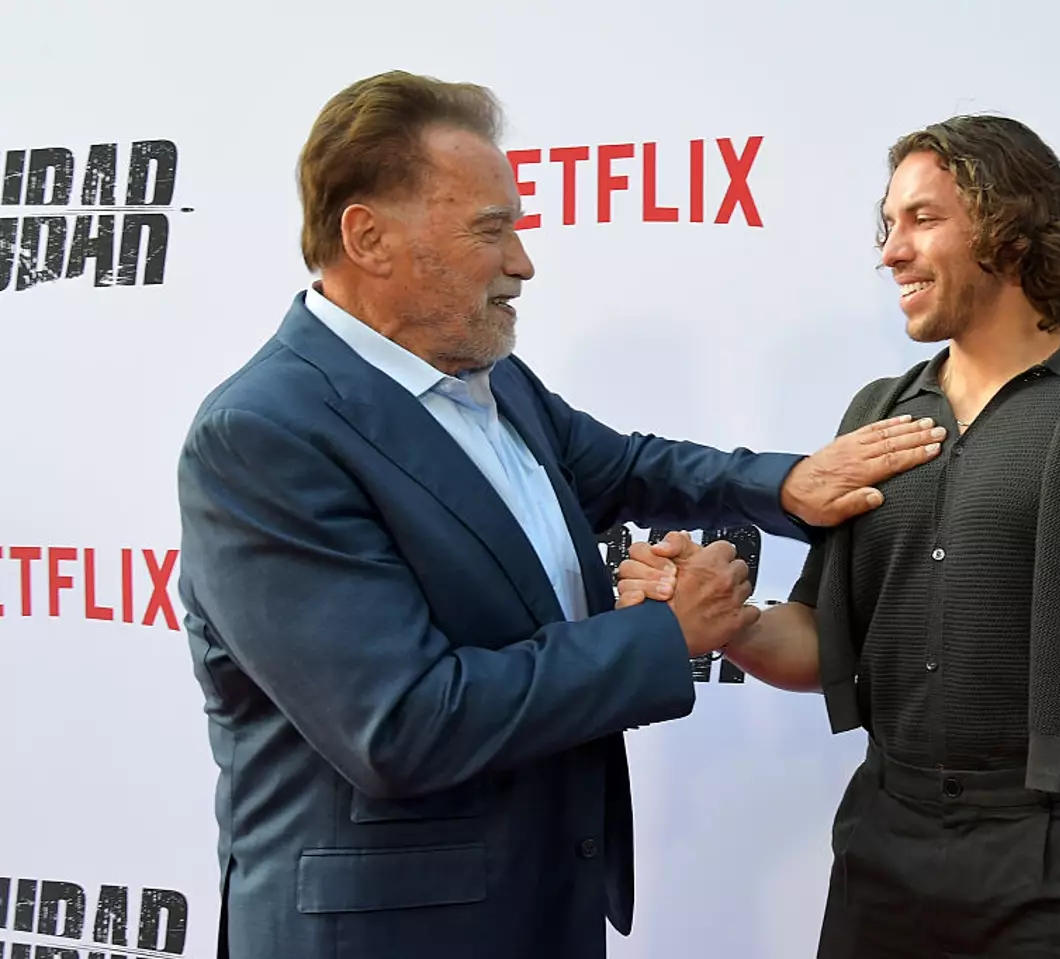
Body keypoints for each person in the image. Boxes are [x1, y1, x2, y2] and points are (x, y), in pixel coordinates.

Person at [174, 70, 945, 959]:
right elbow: (403, 724)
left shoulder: (484, 376)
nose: (522, 262)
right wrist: (665, 636)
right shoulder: (263, 435)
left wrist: (790, 484)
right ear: (369, 237)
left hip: (542, 903)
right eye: (490, 229)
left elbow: (627, 466)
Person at [617, 115, 1060, 958]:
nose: (891, 251)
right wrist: (725, 619)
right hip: (880, 855)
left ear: (1012, 228)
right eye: (888, 224)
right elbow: (824, 643)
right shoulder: (879, 415)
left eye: (923, 219)